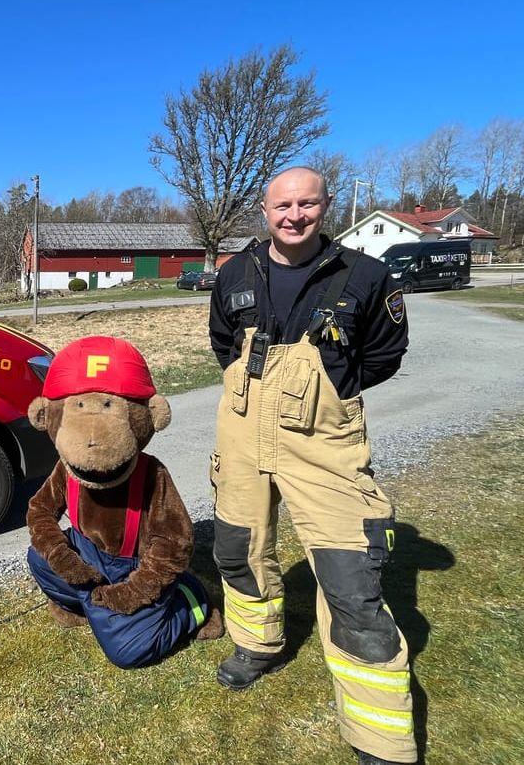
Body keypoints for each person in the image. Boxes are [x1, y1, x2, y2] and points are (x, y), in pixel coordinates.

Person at [207, 168, 414, 765]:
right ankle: (257, 644)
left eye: (307, 204)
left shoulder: (366, 276)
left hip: (325, 443)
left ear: (325, 207)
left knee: (352, 582)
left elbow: (383, 354)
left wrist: (330, 390)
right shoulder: (235, 274)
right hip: (243, 431)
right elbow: (224, 343)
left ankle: (379, 736)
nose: (294, 215)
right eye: (282, 205)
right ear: (265, 210)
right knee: (236, 548)